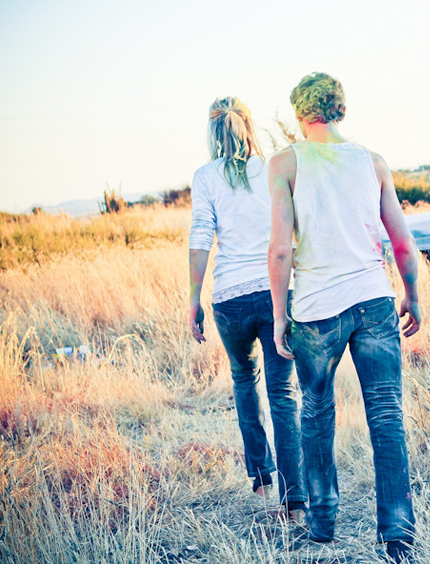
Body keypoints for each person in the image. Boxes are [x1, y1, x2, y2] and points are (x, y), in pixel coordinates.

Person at [267, 73, 421, 563]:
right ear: (341, 110)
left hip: (316, 309)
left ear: (299, 114)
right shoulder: (373, 162)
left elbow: (279, 250)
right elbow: (401, 241)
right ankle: (397, 532)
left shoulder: (285, 164)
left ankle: (322, 520)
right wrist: (412, 295)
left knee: (315, 412)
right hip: (374, 300)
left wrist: (279, 315)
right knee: (387, 414)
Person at [188, 96, 306, 521]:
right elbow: (297, 225)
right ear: (249, 126)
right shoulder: (275, 167)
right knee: (283, 393)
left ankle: (261, 478)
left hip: (230, 298)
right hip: (277, 291)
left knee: (243, 380)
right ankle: (294, 501)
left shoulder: (205, 177)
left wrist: (193, 298)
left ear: (213, 132)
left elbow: (200, 237)